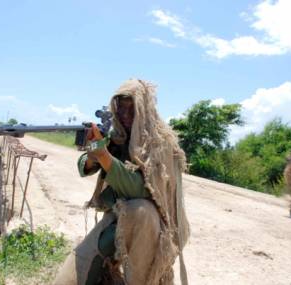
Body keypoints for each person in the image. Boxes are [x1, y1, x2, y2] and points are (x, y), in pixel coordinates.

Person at [54, 79, 190, 285]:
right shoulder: (118, 136)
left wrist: (104, 156)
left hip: (156, 229)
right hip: (120, 216)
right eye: (121, 109)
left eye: (132, 109)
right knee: (75, 271)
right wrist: (93, 154)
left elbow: (142, 189)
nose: (125, 115)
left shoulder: (161, 143)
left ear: (144, 110)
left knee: (140, 210)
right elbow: (85, 166)